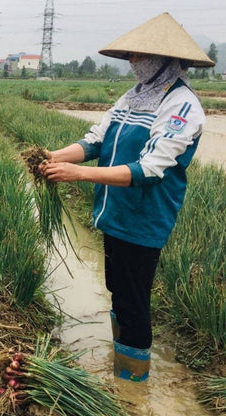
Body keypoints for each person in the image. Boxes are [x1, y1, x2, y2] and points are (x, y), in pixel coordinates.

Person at [40, 13, 215, 382]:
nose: (133, 62)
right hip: (114, 212)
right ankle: (120, 362)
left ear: (165, 59)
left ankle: (132, 385)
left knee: (134, 303)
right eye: (131, 55)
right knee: (116, 290)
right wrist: (54, 157)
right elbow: (96, 141)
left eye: (139, 55)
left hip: (144, 219)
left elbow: (150, 169)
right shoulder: (133, 97)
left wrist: (79, 174)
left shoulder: (181, 105)